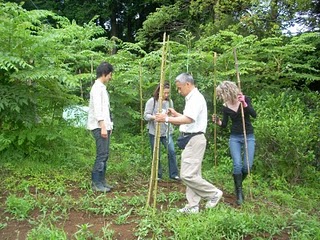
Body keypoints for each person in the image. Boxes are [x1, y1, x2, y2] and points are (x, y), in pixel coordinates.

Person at [155, 73, 223, 214]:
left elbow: (189, 120)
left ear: (188, 84)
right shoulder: (191, 98)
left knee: (187, 175)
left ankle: (213, 193)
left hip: (194, 140)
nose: (179, 91)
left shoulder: (196, 99)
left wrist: (166, 118)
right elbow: (189, 118)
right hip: (191, 139)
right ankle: (193, 206)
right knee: (194, 174)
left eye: (180, 88)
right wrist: (176, 114)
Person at [212, 80, 257, 205]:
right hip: (235, 137)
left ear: (228, 92)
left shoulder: (244, 99)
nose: (221, 97)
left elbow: (254, 115)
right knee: (237, 165)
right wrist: (218, 122)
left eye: (222, 94)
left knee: (247, 166)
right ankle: (239, 193)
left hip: (248, 135)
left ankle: (238, 183)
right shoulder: (225, 106)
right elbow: (225, 125)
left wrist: (244, 103)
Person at [87, 61, 114, 192]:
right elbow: (98, 110)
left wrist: (109, 126)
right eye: (110, 74)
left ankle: (102, 181)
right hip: (99, 126)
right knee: (101, 155)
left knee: (105, 154)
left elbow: (106, 109)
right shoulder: (96, 88)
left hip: (105, 126)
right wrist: (103, 126)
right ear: (104, 74)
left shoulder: (102, 88)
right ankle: (96, 182)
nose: (110, 77)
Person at [144, 82, 180, 181]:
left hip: (167, 131)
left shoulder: (169, 102)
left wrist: (170, 115)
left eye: (168, 93)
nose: (166, 95)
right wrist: (154, 117)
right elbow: (146, 115)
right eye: (164, 93)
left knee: (171, 151)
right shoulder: (152, 101)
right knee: (156, 153)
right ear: (159, 92)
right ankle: (157, 175)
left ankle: (173, 174)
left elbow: (172, 115)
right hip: (154, 132)